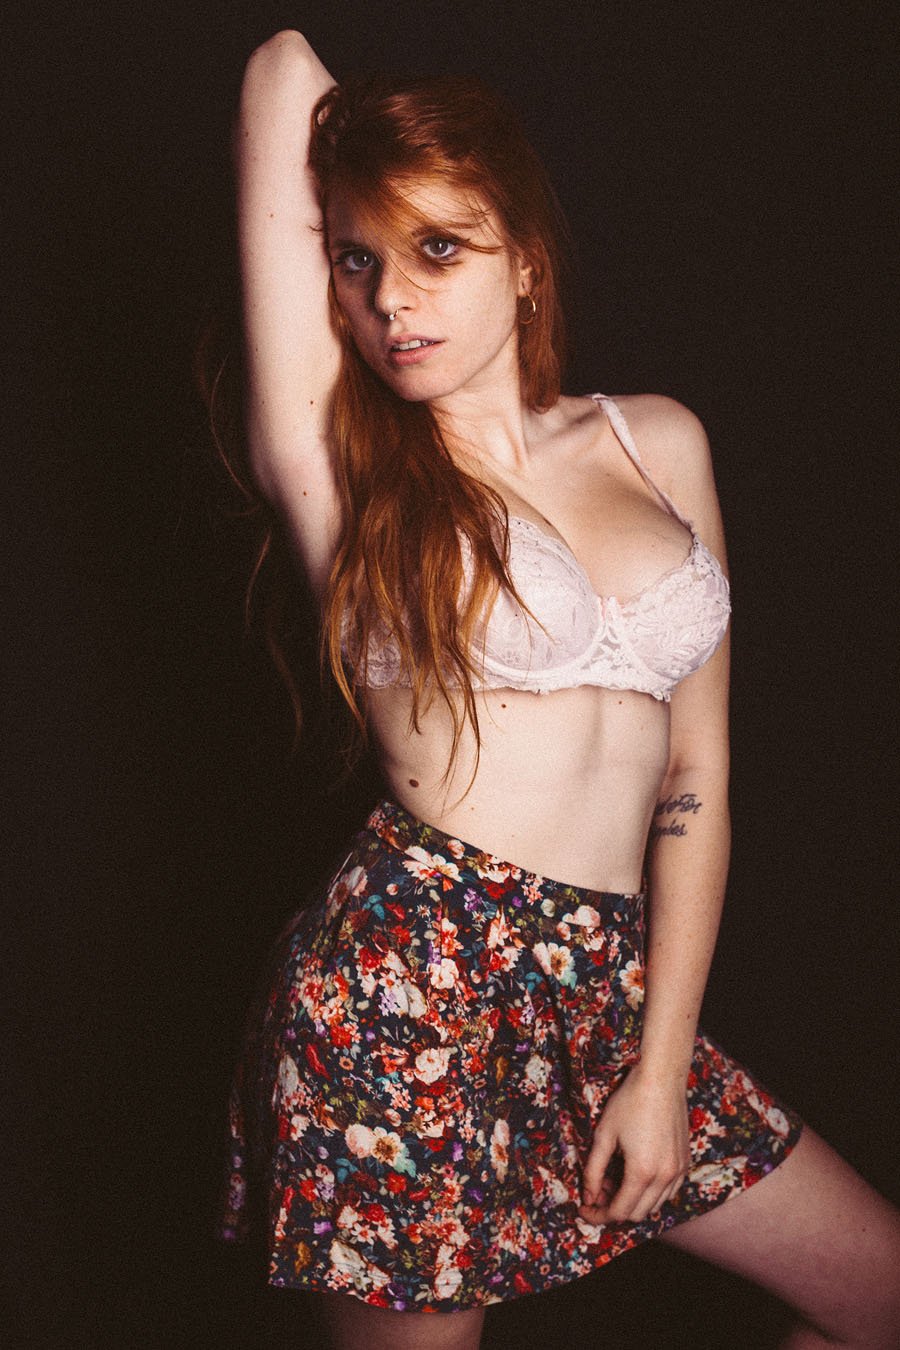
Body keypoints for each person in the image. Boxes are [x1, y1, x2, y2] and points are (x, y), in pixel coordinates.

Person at [216, 29, 900, 1350]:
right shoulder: (341, 469)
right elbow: (281, 69)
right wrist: (375, 163)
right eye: (356, 260)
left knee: (876, 1295)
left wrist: (662, 1063)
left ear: (527, 260)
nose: (392, 299)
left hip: (608, 986)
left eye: (440, 249)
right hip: (404, 984)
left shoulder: (658, 440)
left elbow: (696, 773)